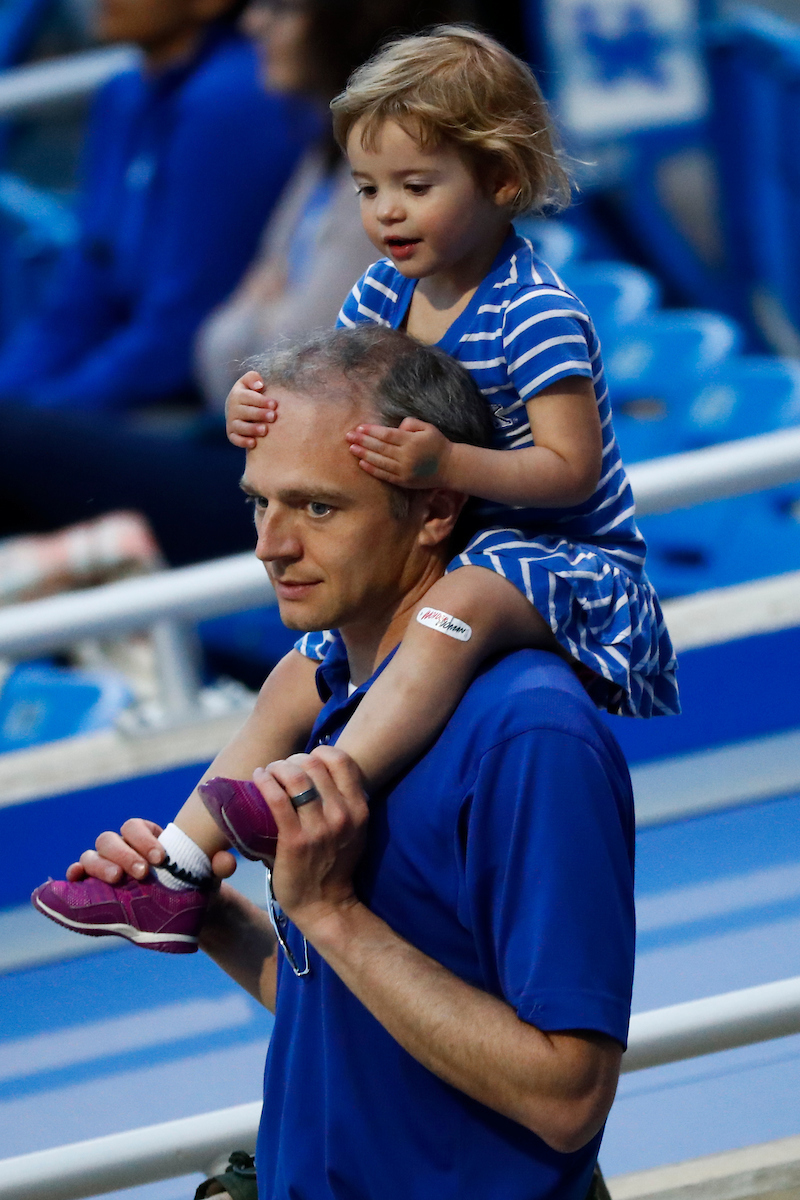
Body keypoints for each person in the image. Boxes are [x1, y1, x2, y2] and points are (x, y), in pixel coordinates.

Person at [36, 24, 675, 926]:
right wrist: (255, 405)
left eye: (417, 186)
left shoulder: (536, 313)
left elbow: (573, 472)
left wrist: (448, 462)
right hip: (443, 545)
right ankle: (174, 872)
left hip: (554, 561)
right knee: (296, 674)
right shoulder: (381, 290)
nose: (388, 213)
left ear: (501, 179)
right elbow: (329, 394)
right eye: (369, 188)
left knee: (467, 603)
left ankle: (318, 785)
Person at [36, 325, 636, 1200]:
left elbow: (567, 1097)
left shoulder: (529, 735)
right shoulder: (333, 705)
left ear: (435, 509)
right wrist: (218, 920)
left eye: (317, 508)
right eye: (260, 502)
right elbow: (367, 1015)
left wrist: (333, 911)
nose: (270, 544)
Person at [0, 0, 311, 413]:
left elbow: (180, 330)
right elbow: (79, 301)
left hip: (196, 405)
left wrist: (41, 418)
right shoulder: (122, 93)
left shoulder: (234, 99)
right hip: (123, 386)